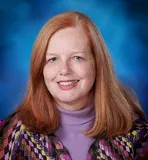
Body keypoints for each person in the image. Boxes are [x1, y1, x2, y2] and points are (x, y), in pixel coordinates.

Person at [0, 11, 148, 160]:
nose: (64, 70)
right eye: (53, 59)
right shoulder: (9, 136)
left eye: (77, 57)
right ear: (40, 68)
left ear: (97, 63)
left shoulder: (139, 137)